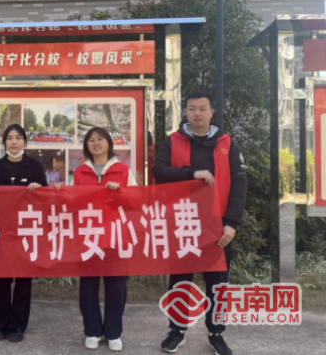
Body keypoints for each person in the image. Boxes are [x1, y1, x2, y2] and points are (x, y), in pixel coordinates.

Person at [153, 91, 247, 355]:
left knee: (217, 281)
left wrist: (232, 223)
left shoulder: (227, 143)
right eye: (192, 108)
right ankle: (176, 330)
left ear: (211, 112)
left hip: (217, 224)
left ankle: (216, 333)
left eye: (202, 109)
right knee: (180, 279)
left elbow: (240, 184)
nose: (197, 113)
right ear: (186, 112)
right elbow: (158, 171)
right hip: (182, 221)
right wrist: (192, 173)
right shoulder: (173, 141)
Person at [68, 127, 136, 352]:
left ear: (108, 143)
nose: (96, 143)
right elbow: (72, 203)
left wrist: (121, 192)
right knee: (88, 284)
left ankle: (114, 332)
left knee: (116, 285)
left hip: (116, 235)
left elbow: (136, 201)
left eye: (100, 139)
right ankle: (92, 331)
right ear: (86, 146)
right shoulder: (79, 173)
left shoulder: (122, 170)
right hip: (89, 235)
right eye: (91, 140)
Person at [0, 124, 47, 343]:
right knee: (2, 279)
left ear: (25, 141)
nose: (13, 142)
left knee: (23, 279)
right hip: (2, 229)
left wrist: (38, 189)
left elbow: (46, 198)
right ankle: (1, 324)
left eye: (18, 137)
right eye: (9, 138)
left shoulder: (35, 167)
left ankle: (18, 325)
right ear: (4, 142)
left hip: (26, 230)